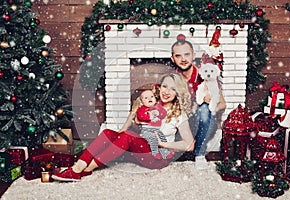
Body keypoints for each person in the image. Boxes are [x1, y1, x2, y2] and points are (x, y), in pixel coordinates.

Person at [51, 73, 194, 182]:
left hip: (157, 157)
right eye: (165, 86)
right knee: (108, 132)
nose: (167, 91)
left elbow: (189, 145)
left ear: (178, 93)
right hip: (141, 149)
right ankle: (80, 167)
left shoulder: (179, 115)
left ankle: (83, 169)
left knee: (128, 136)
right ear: (159, 87)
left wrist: (163, 143)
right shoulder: (150, 103)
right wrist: (132, 119)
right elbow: (130, 126)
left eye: (173, 89)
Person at [170, 36, 226, 169]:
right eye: (178, 56)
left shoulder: (206, 74)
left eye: (187, 54)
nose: (183, 59)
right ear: (173, 59)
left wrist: (211, 104)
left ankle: (199, 154)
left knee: (204, 109)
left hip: (202, 120)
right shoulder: (172, 78)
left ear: (193, 55)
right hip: (182, 121)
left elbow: (222, 104)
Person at [137, 90, 174, 159]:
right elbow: (140, 116)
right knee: (153, 139)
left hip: (157, 130)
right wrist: (149, 116)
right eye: (146, 98)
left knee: (163, 139)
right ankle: (155, 153)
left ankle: (165, 153)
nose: (150, 99)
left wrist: (159, 113)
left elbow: (164, 114)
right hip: (146, 130)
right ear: (142, 102)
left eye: (152, 97)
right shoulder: (142, 108)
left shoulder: (158, 107)